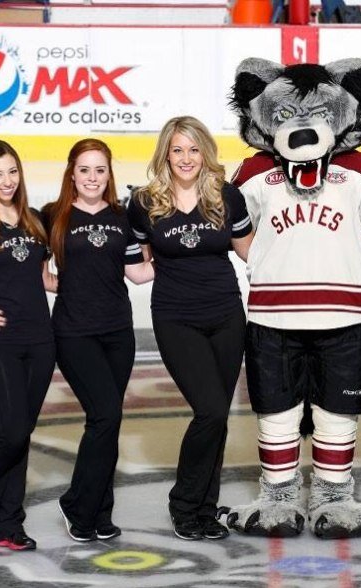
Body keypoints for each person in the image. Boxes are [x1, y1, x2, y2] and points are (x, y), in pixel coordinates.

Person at [128, 116, 253, 541]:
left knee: (218, 417)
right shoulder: (145, 202)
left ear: (206, 153)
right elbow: (140, 266)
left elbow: (252, 252)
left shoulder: (227, 197)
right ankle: (184, 505)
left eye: (194, 149)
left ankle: (205, 508)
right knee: (211, 410)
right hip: (175, 317)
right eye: (178, 149)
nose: (186, 158)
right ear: (166, 153)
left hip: (226, 315)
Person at [43, 139, 154, 543]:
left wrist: (177, 254)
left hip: (117, 333)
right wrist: (69, 289)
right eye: (85, 169)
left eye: (100, 170)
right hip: (73, 333)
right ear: (72, 172)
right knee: (106, 415)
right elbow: (40, 276)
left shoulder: (122, 218)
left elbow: (138, 274)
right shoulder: (53, 216)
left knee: (106, 421)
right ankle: (77, 503)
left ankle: (98, 511)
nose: (92, 177)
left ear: (109, 174)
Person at [0, 141, 56, 551]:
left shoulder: (34, 220)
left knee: (23, 433)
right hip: (4, 342)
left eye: (12, 171)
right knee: (12, 431)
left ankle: (9, 524)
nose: (6, 181)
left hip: (41, 338)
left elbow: (44, 278)